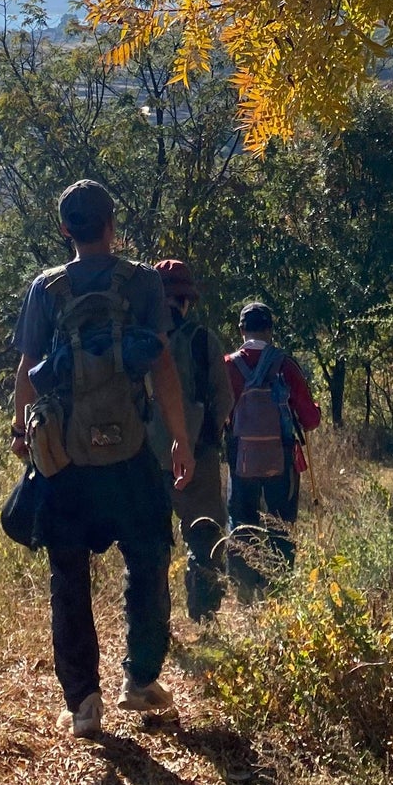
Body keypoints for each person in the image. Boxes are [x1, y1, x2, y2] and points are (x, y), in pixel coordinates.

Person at [11, 179, 196, 740]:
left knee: (68, 577)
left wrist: (23, 433)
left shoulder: (46, 290)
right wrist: (180, 438)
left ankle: (84, 704)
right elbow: (161, 367)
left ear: (65, 228)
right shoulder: (140, 283)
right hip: (130, 452)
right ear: (112, 224)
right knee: (148, 558)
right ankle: (139, 679)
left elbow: (26, 373)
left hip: (66, 460)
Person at [149, 259, 232, 622]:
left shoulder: (138, 340)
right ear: (185, 301)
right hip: (198, 454)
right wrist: (206, 435)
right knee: (205, 535)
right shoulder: (203, 340)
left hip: (145, 458)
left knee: (150, 546)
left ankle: (153, 623)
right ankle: (204, 616)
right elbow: (224, 399)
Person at [224, 301, 322, 601]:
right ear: (270, 330)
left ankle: (244, 591)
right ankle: (280, 590)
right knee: (281, 524)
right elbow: (310, 419)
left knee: (241, 522)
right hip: (282, 458)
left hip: (241, 458)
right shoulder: (285, 364)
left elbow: (218, 413)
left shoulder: (227, 365)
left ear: (241, 330)